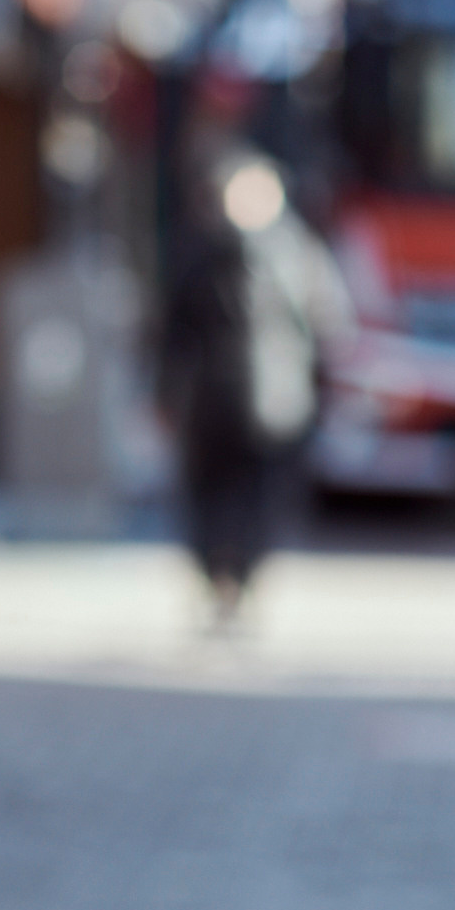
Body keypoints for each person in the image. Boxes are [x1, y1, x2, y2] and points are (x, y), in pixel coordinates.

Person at [160, 150, 352, 632]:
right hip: (267, 400)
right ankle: (235, 578)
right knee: (250, 498)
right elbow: (331, 322)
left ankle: (224, 577)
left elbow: (171, 333)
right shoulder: (297, 250)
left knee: (224, 496)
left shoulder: (202, 249)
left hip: (227, 398)